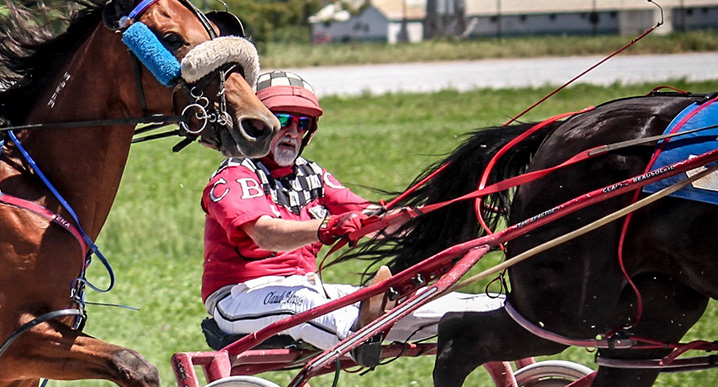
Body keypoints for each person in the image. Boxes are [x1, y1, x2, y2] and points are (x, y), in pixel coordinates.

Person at [201, 71, 504, 349]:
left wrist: (449, 211)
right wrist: (328, 227)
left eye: (302, 123)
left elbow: (374, 219)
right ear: (258, 124)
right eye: (283, 119)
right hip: (240, 298)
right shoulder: (236, 172)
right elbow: (266, 234)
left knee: (416, 301)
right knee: (302, 302)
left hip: (307, 290)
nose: (293, 132)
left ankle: (495, 312)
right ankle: (362, 333)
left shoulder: (312, 174)